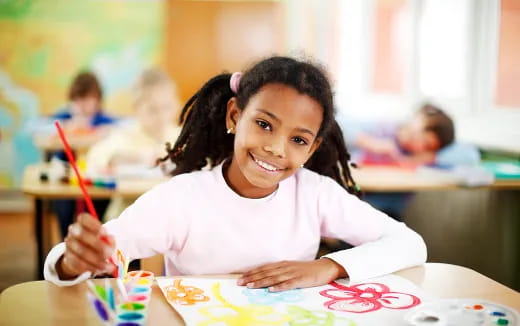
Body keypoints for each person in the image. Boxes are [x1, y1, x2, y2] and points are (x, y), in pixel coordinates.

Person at [44, 56, 427, 291]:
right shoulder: (184, 198)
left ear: (311, 150)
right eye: (264, 125)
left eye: (298, 139)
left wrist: (327, 267)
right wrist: (73, 262)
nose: (277, 148)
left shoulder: (314, 194)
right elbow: (100, 252)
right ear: (234, 116)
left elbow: (410, 244)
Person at [85, 68, 182, 220]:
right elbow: (95, 158)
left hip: (171, 217)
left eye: (167, 107)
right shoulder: (126, 135)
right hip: (127, 215)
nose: (162, 116)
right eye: (152, 110)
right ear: (137, 109)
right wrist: (136, 157)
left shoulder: (181, 135)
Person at [34, 71, 117, 238]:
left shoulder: (102, 120)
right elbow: (35, 126)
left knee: (97, 217)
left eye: (88, 99)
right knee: (64, 216)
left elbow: (127, 126)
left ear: (98, 100)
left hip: (94, 180)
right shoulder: (65, 118)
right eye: (77, 100)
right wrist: (67, 126)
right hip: (65, 180)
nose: (82, 105)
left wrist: (103, 131)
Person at [345, 104, 455, 167]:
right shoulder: (382, 125)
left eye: (426, 149)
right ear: (422, 118)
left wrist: (412, 161)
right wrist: (371, 143)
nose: (419, 148)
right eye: (425, 142)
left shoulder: (408, 158)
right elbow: (335, 128)